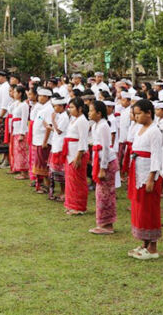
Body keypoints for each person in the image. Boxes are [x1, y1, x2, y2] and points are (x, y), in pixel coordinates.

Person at [127, 99, 163, 260]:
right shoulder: (139, 129)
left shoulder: (155, 131)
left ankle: (153, 246)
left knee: (149, 209)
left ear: (149, 113)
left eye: (139, 113)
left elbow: (156, 155)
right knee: (139, 208)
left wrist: (151, 178)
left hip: (148, 174)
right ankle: (144, 243)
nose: (136, 117)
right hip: (137, 171)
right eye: (135, 114)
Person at [89, 101, 118, 235]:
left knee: (106, 193)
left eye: (91, 111)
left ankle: (108, 224)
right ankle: (102, 222)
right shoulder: (96, 125)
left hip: (106, 163)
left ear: (99, 113)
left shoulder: (103, 126)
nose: (89, 113)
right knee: (100, 193)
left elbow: (106, 148)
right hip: (99, 160)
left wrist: (102, 167)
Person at [63, 97, 90, 216]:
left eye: (72, 107)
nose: (70, 109)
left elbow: (83, 140)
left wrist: (78, 157)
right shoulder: (74, 119)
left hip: (77, 154)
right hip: (70, 152)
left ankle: (79, 206)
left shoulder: (82, 121)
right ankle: (71, 204)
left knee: (78, 181)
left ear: (80, 109)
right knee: (70, 180)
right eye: (69, 107)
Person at [31, 88, 53, 190]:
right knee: (40, 162)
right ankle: (44, 184)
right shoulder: (43, 108)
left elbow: (49, 126)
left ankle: (47, 185)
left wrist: (45, 141)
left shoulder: (48, 109)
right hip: (39, 138)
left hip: (44, 140)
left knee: (43, 163)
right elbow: (40, 119)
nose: (39, 98)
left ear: (47, 97)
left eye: (41, 96)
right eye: (39, 95)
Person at [48, 97, 69, 201]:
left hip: (60, 146)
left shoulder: (64, 117)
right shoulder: (60, 116)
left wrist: (52, 120)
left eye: (55, 106)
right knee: (57, 171)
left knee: (61, 172)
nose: (54, 108)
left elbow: (59, 130)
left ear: (61, 106)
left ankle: (64, 192)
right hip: (56, 144)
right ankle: (61, 192)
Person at [9, 85, 30, 179]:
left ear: (20, 93)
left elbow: (24, 119)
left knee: (22, 152)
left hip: (21, 130)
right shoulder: (16, 103)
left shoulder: (24, 105)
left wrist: (22, 133)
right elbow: (10, 110)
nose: (13, 94)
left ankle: (24, 172)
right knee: (17, 151)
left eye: (15, 92)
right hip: (15, 129)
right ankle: (19, 169)